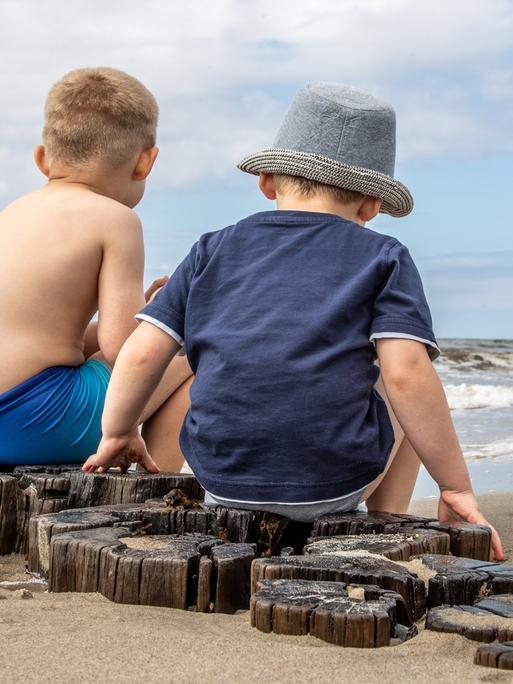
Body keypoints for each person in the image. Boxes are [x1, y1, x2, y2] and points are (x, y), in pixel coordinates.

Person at [83, 83, 503, 560]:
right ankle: (385, 524)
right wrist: (456, 486)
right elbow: (406, 373)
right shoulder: (384, 255)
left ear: (267, 182)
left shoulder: (212, 248)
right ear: (371, 206)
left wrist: (118, 432)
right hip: (332, 486)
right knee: (405, 372)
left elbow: (142, 350)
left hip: (221, 479)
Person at [0, 67, 192, 467]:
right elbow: (123, 348)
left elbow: (47, 336)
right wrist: (161, 322)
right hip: (38, 418)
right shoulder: (117, 220)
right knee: (190, 354)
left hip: (14, 413)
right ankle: (155, 484)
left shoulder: (12, 214)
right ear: (145, 163)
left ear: (41, 158)